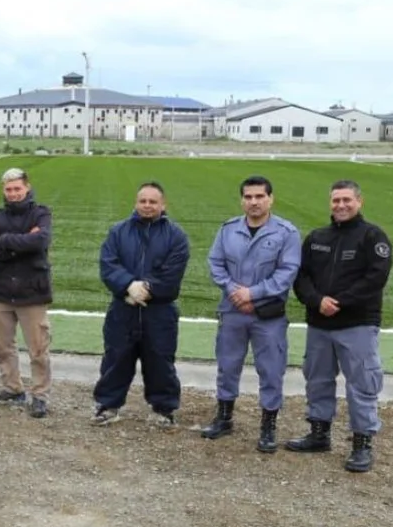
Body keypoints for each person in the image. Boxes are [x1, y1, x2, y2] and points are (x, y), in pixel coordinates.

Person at [288, 180, 393, 472]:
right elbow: (301, 276)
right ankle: (319, 433)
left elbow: (376, 278)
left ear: (360, 202)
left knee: (362, 384)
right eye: (336, 200)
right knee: (317, 379)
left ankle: (362, 444)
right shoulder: (317, 237)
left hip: (357, 324)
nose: (341, 206)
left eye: (347, 200)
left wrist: (340, 302)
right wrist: (316, 300)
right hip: (319, 325)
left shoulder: (372, 237)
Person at [201, 176, 301, 452]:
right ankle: (224, 417)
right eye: (248, 197)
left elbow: (287, 272)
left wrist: (252, 294)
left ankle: (268, 425)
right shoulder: (228, 230)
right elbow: (215, 264)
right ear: (241, 200)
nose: (254, 202)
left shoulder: (286, 233)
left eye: (259, 196)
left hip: (267, 315)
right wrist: (235, 291)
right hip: (232, 311)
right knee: (228, 365)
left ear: (271, 199)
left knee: (271, 370)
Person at [92, 181, 191, 427]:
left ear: (163, 204)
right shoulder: (118, 231)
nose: (147, 206)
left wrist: (144, 289)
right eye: (143, 201)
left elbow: (172, 274)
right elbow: (108, 264)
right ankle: (108, 405)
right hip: (122, 309)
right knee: (116, 358)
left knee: (160, 361)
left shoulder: (176, 236)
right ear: (136, 203)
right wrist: (127, 285)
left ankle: (164, 408)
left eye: (153, 202)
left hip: (159, 312)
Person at [0, 167, 53, 418]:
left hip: (32, 291)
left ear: (27, 188)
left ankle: (40, 394)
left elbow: (41, 241)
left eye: (17, 189)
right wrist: (22, 241)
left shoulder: (41, 213)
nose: (13, 193)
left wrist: (6, 240)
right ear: (4, 190)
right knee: (3, 346)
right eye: (9, 189)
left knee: (38, 349)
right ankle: (13, 388)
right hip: (1, 291)